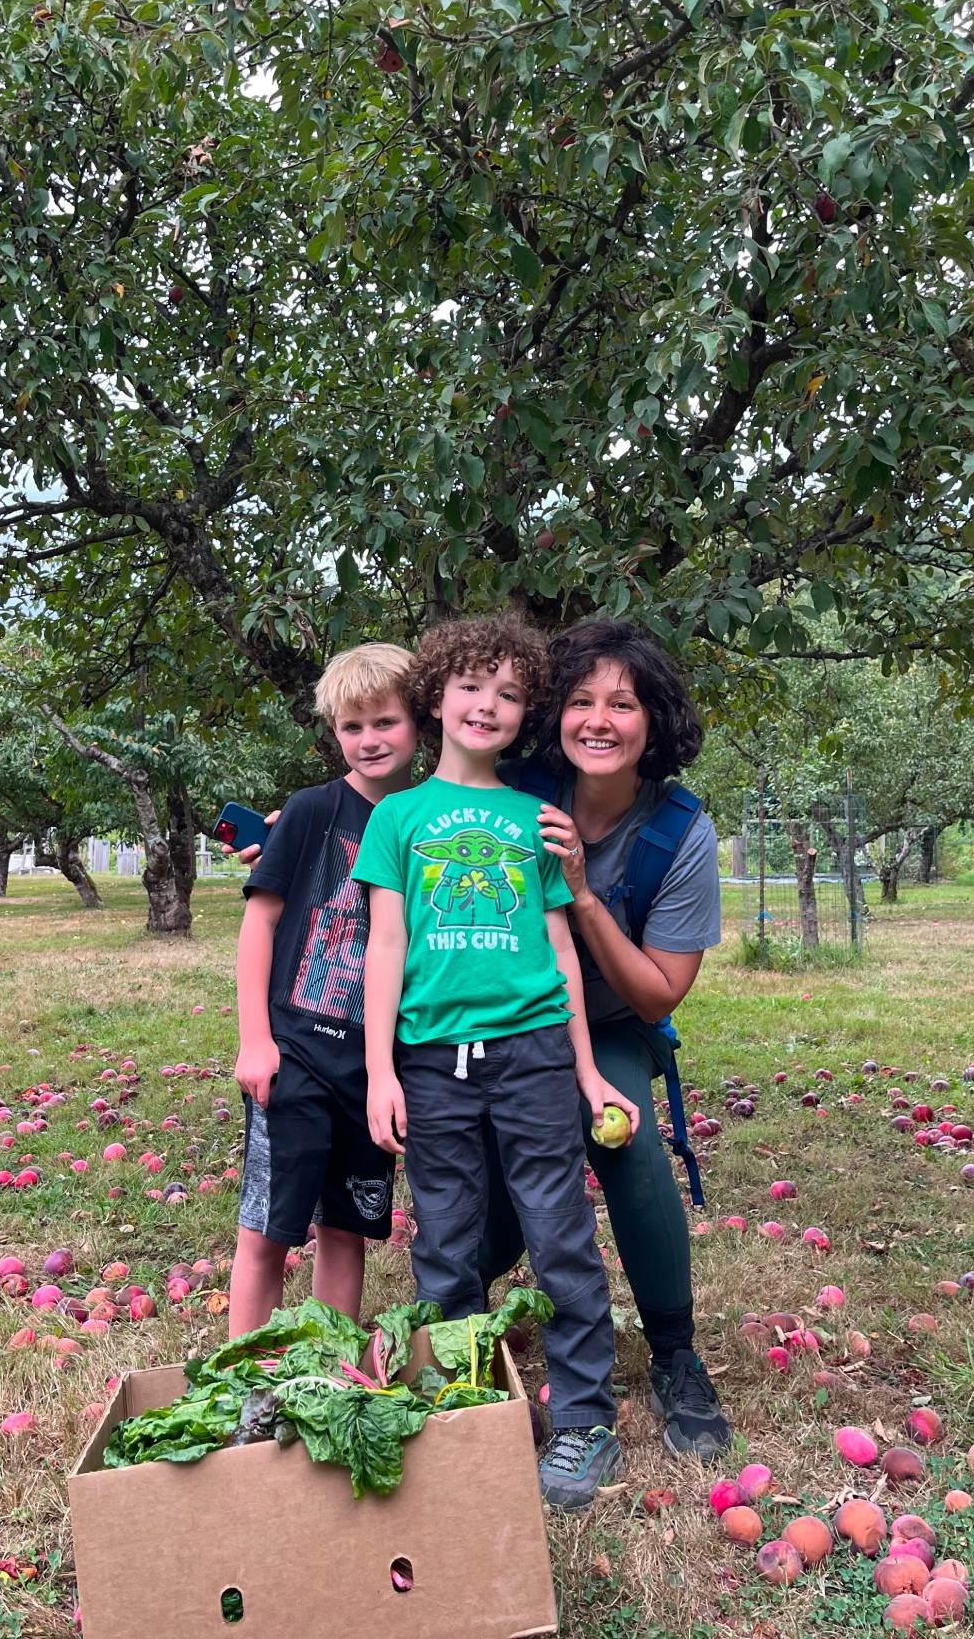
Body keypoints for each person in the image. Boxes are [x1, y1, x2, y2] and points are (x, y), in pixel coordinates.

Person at [352, 613, 641, 1511]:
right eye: (472, 686)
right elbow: (385, 947)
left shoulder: (536, 820)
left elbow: (562, 956)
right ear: (435, 697)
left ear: (527, 714)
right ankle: (464, 1403)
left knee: (558, 1234)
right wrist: (380, 1071)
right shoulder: (399, 816)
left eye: (511, 694)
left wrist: (588, 1073)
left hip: (533, 1055)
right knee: (446, 1239)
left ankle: (587, 1417)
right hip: (432, 1062)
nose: (489, 704)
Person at [482, 618, 733, 1460]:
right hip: (503, 1024)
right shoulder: (509, 787)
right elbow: (408, 807)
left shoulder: (679, 833)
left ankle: (675, 1354)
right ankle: (456, 1312)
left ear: (651, 722)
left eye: (621, 703)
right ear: (553, 715)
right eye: (581, 700)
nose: (599, 720)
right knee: (496, 1170)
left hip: (613, 1025)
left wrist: (584, 896)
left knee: (623, 1143)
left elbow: (661, 989)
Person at [226, 643, 419, 1338]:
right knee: (267, 1232)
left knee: (347, 1228)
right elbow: (261, 922)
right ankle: (245, 1377)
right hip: (297, 1056)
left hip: (374, 1072)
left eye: (386, 722)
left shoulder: (428, 827)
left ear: (421, 723)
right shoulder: (309, 812)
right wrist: (255, 1040)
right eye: (352, 726)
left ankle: (331, 1372)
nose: (369, 740)